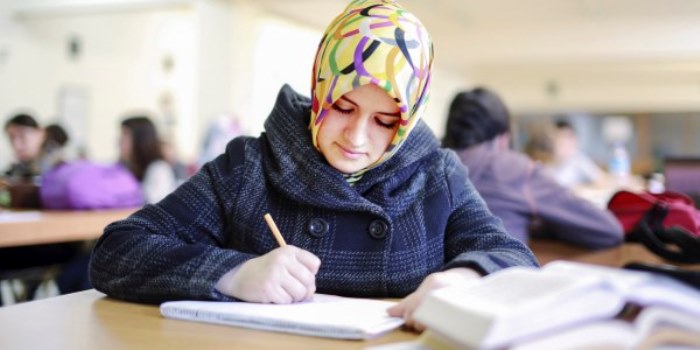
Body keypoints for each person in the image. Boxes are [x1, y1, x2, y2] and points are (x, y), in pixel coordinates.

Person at [90, 0, 537, 331]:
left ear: (407, 123)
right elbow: (118, 251)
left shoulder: (436, 174)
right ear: (320, 89)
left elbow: (516, 261)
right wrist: (233, 273)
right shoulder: (249, 166)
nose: (356, 137)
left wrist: (464, 279)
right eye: (342, 107)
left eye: (384, 121)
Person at [442, 87, 623, 248]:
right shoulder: (515, 169)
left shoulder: (428, 165)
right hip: (497, 281)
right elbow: (608, 230)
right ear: (504, 137)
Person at [118, 116, 177, 204]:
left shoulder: (159, 169)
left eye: (125, 134)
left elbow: (154, 208)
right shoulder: (126, 167)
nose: (120, 140)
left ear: (141, 139)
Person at [4, 113, 46, 180]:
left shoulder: (56, 168)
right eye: (11, 138)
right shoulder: (16, 170)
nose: (16, 145)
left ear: (40, 133)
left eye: (22, 137)